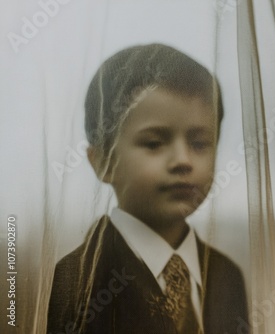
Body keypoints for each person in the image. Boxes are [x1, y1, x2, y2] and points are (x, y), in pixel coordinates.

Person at [47, 44, 248, 334]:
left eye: (200, 144)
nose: (183, 160)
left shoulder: (226, 275)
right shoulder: (79, 276)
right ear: (103, 162)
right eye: (154, 143)